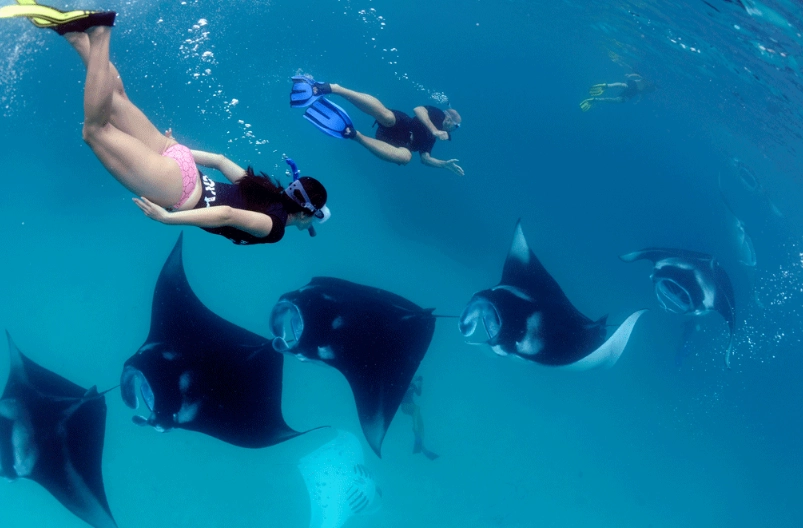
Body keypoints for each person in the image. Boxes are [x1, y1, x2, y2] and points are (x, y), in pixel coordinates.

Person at [4, 3, 329, 245]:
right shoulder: (275, 227)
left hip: (181, 163)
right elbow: (227, 215)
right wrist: (169, 219)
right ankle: (100, 32)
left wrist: (174, 148)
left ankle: (75, 36)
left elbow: (217, 160)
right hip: (180, 191)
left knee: (117, 99)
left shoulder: (265, 188)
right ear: (306, 213)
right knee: (94, 131)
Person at [291, 76, 464, 176]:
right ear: (449, 120)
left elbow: (425, 158)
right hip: (403, 124)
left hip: (396, 143)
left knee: (406, 158)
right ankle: (333, 88)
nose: (453, 130)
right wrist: (434, 129)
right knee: (387, 116)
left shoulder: (433, 139)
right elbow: (418, 110)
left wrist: (443, 164)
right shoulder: (437, 115)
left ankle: (354, 134)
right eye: (456, 127)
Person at [399, 375, 439, 460]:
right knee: (417, 408)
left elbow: (419, 394)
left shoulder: (412, 385)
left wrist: (420, 383)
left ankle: (423, 446)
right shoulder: (403, 384)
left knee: (421, 423)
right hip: (405, 406)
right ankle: (416, 433)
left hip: (412, 407)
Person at [579, 73, 655, 112]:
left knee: (622, 87)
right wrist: (630, 75)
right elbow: (638, 76)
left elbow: (642, 94)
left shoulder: (645, 85)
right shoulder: (646, 83)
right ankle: (597, 98)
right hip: (632, 90)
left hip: (632, 89)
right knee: (619, 97)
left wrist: (630, 75)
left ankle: (606, 87)